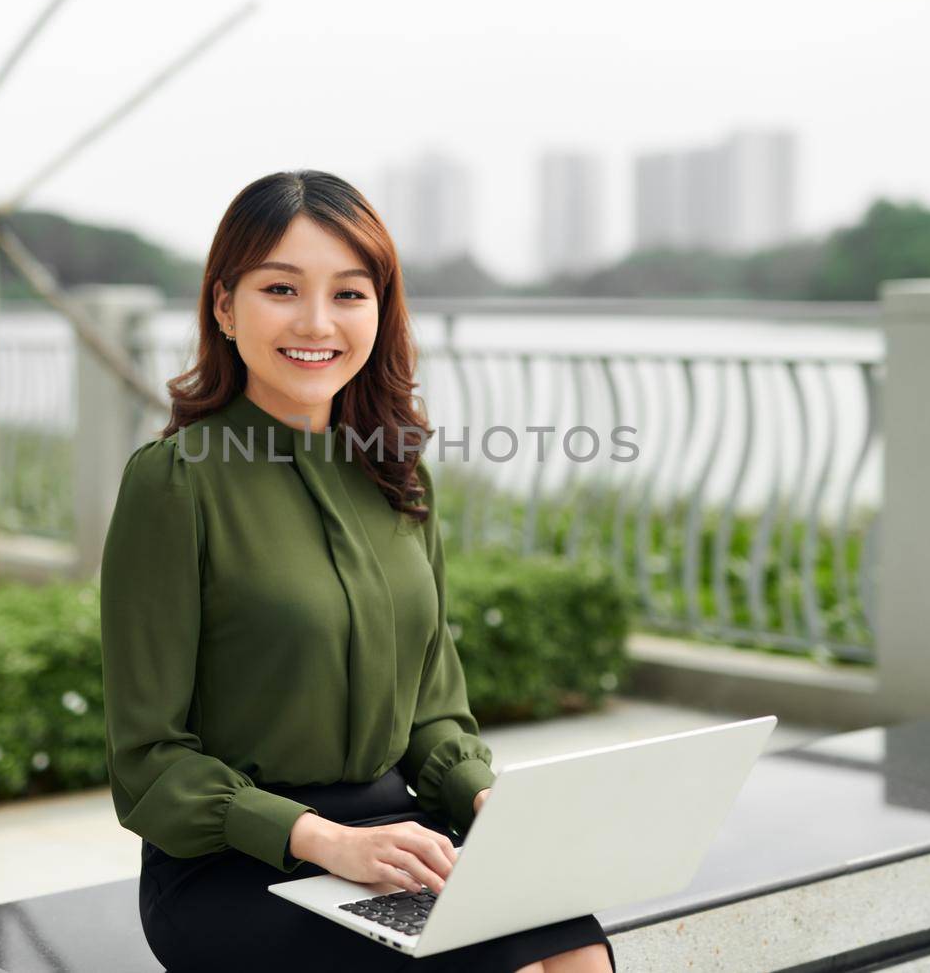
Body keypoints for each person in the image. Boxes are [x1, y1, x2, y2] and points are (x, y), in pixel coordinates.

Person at [99, 170, 616, 972]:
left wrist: (485, 798)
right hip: (232, 864)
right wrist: (324, 839)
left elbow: (434, 712)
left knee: (572, 939)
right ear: (225, 306)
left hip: (397, 834)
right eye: (281, 288)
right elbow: (148, 761)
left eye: (349, 293)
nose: (317, 321)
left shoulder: (396, 474)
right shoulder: (175, 481)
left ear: (380, 311)